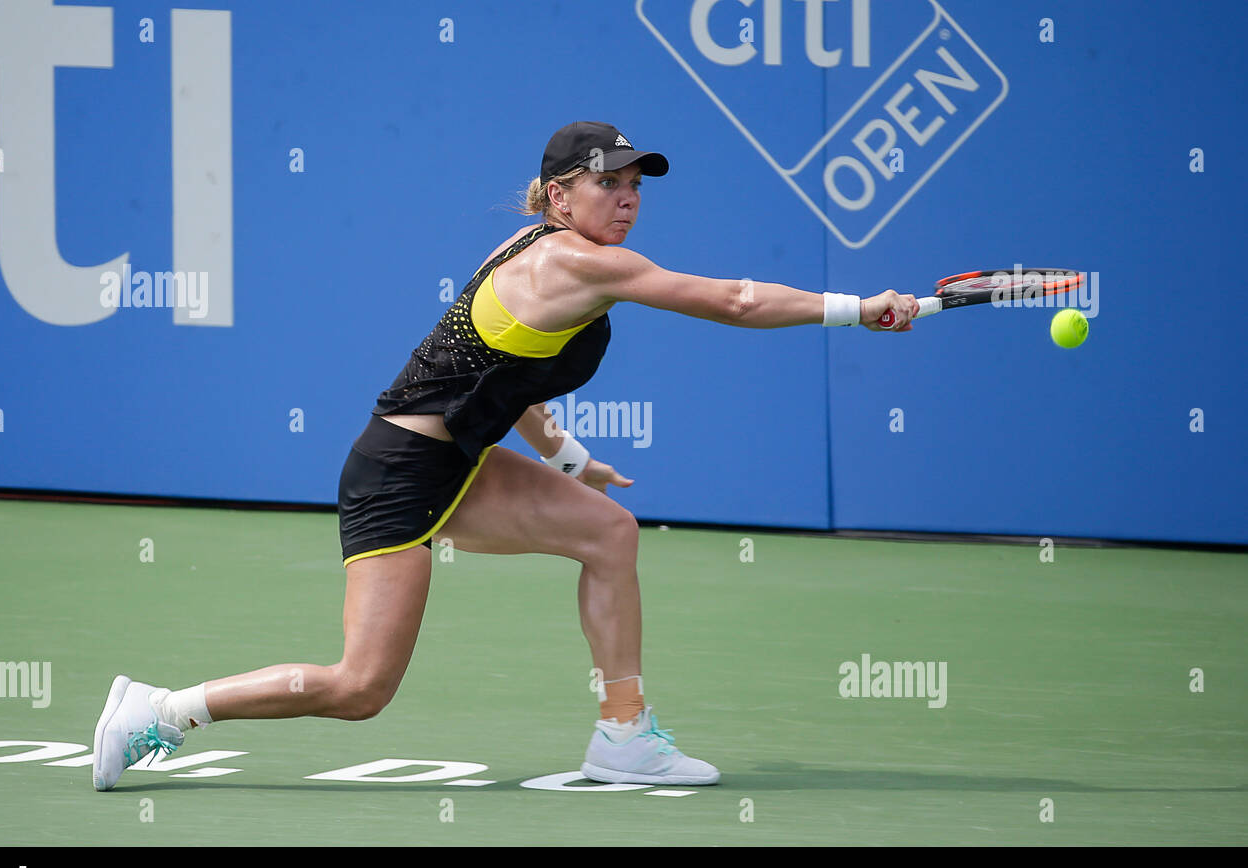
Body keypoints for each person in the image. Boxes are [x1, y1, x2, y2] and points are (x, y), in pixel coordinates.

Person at [92, 121, 919, 792]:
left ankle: (624, 736)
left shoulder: (538, 252)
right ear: (559, 195)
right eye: (608, 184)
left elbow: (506, 383)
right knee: (359, 689)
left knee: (610, 533)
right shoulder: (572, 263)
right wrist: (859, 307)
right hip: (399, 476)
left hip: (458, 464)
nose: (627, 201)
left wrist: (569, 461)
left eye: (635, 188)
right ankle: (163, 712)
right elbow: (735, 300)